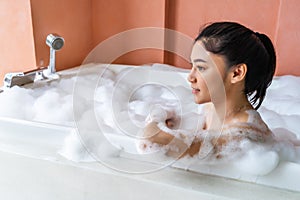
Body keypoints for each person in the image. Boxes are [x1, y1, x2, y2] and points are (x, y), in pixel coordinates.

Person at [139, 21, 277, 161]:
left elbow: (154, 141)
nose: (190, 77)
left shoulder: (246, 134)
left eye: (201, 68)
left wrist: (156, 118)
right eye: (192, 66)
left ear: (236, 73)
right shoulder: (209, 108)